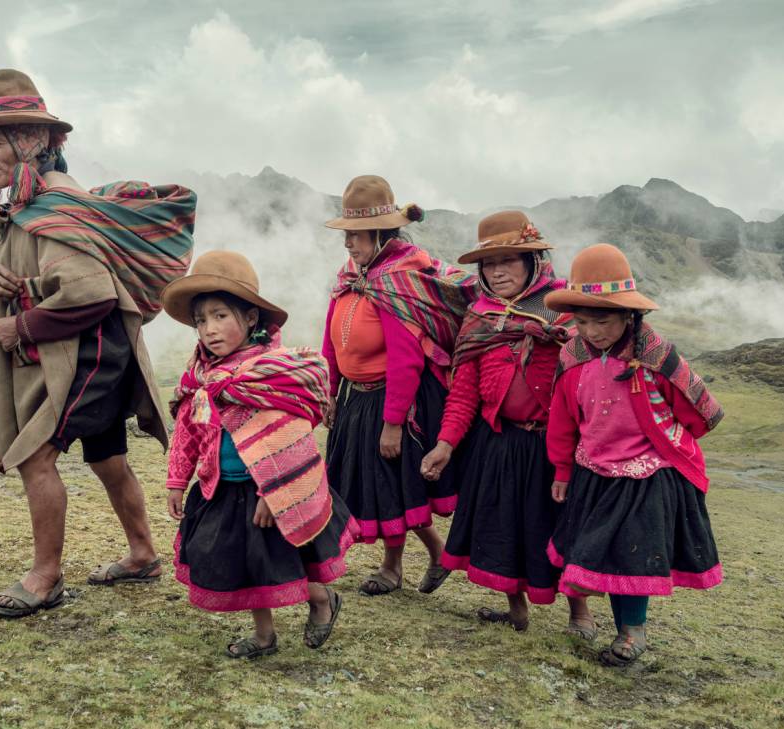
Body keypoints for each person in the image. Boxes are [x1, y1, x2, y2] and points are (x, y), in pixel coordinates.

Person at [0, 69, 196, 617]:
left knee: (35, 455)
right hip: (89, 350)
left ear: (32, 141)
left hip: (89, 352)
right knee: (108, 457)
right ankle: (142, 554)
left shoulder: (54, 204)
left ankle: (46, 578)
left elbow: (90, 296)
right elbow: (32, 275)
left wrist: (20, 325)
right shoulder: (22, 205)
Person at [163, 251, 359, 658]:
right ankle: (264, 636)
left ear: (251, 318)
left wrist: (277, 492)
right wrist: (177, 480)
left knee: (282, 563)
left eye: (221, 316)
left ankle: (321, 599)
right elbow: (188, 430)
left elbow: (292, 438)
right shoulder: (200, 377)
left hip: (267, 490)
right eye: (201, 320)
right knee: (244, 567)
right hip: (220, 489)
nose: (209, 329)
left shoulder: (271, 372)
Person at [543, 243, 724, 665]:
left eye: (602, 320)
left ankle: (632, 633)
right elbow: (564, 420)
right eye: (583, 321)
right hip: (593, 471)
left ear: (629, 315)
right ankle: (618, 625)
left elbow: (697, 413)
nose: (592, 332)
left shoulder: (656, 357)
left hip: (648, 475)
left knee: (633, 556)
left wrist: (668, 448)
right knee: (601, 554)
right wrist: (563, 471)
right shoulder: (572, 358)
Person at [420, 211, 595, 638]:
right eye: (489, 264)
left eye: (508, 261)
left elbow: (590, 384)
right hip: (497, 444)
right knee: (502, 527)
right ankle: (515, 610)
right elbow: (464, 394)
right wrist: (445, 444)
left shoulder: (566, 312)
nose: (497, 272)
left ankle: (580, 613)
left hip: (555, 447)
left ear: (533, 262)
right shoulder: (479, 318)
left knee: (562, 527)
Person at [322, 175, 475, 596]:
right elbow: (330, 337)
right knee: (380, 484)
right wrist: (330, 392)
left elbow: (407, 359)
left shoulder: (396, 280)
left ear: (381, 233)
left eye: (355, 236)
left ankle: (392, 568)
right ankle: (436, 554)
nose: (348, 244)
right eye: (346, 236)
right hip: (357, 399)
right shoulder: (352, 275)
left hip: (397, 402)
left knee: (392, 485)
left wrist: (392, 423)